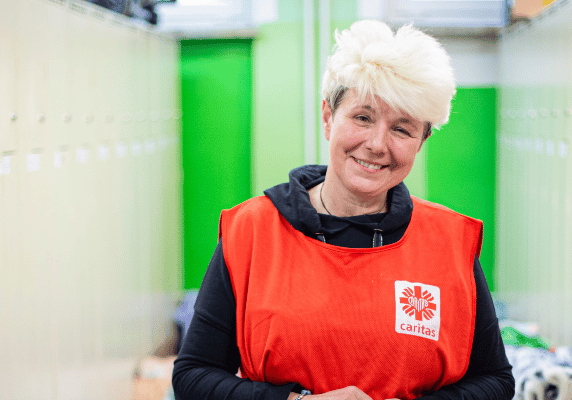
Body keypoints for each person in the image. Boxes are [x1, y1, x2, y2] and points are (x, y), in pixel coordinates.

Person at [172, 20, 515, 400]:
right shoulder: (253, 230)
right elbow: (193, 376)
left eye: (402, 129)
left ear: (420, 143)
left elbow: (495, 380)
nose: (376, 144)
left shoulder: (450, 241)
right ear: (327, 118)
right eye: (362, 117)